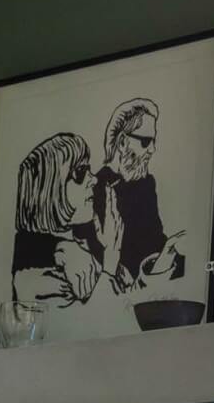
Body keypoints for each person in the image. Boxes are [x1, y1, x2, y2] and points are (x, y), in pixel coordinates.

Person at [11, 130, 124, 309]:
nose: (93, 180)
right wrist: (110, 260)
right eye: (80, 172)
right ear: (47, 191)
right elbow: (94, 325)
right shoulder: (37, 280)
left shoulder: (81, 249)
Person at [95, 96, 184, 285]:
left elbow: (154, 243)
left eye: (153, 141)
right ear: (121, 143)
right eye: (145, 141)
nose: (152, 149)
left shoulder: (146, 185)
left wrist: (169, 254)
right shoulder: (95, 190)